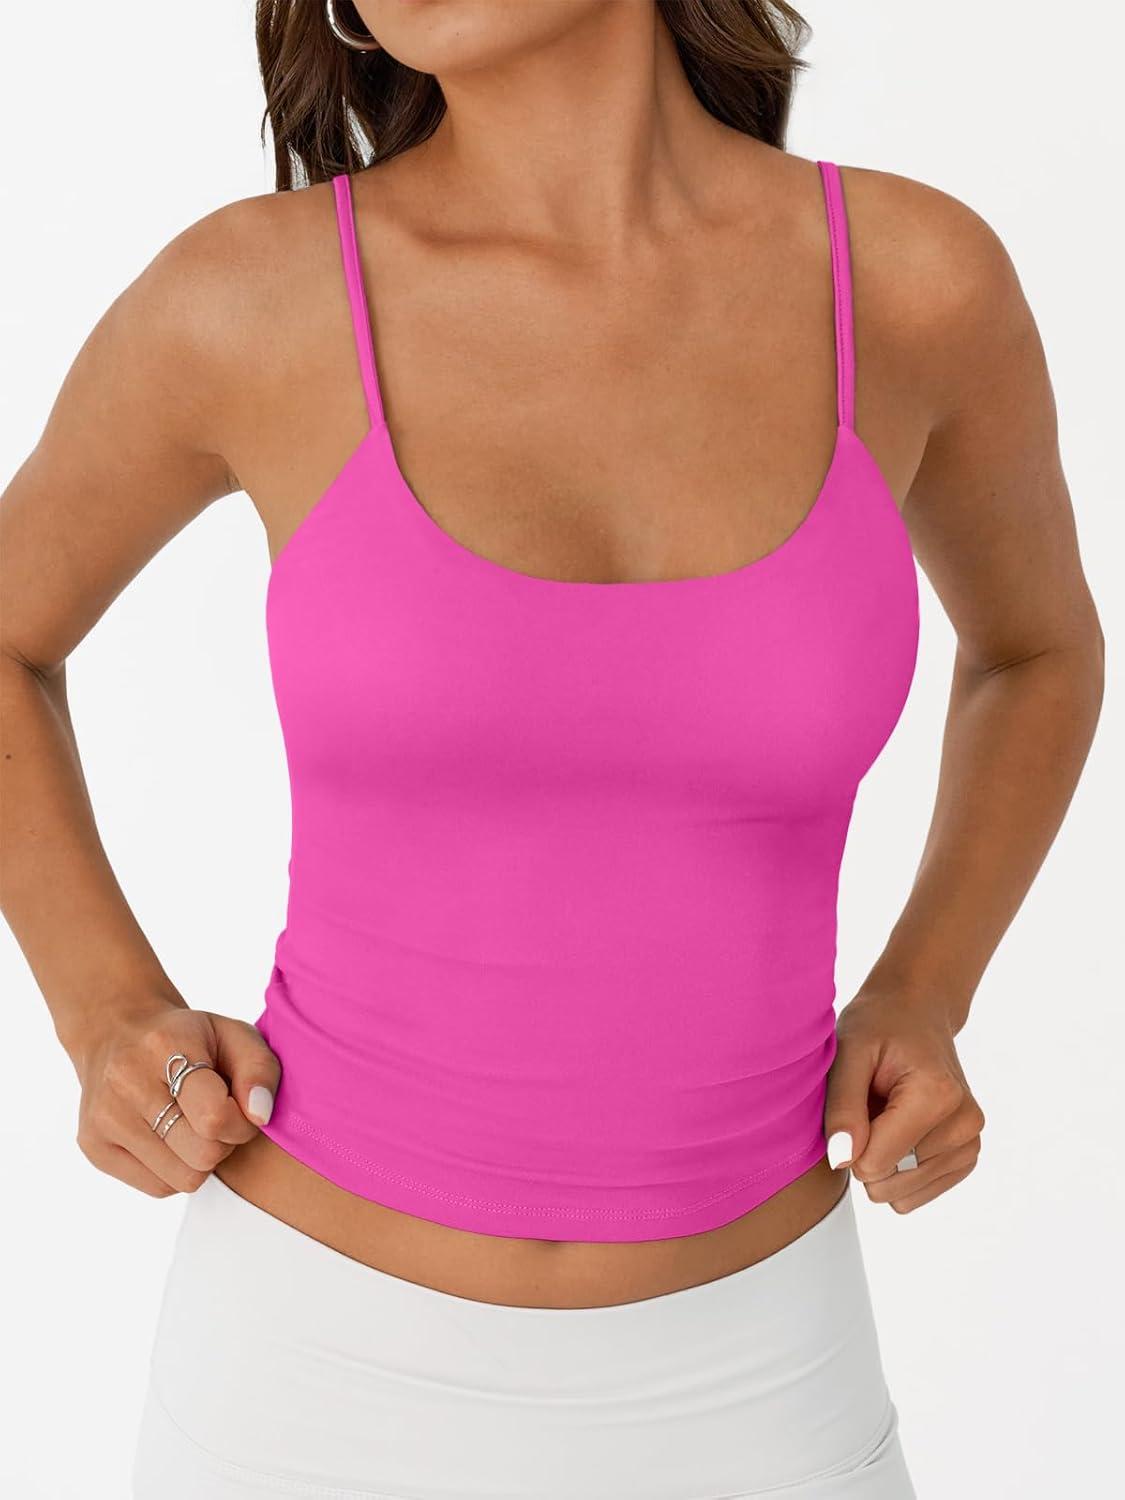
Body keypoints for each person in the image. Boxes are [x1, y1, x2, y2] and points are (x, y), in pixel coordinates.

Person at [0, 2, 1104, 1497]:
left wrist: (926, 987)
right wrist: (103, 1012)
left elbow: (1037, 652)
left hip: (761, 1383)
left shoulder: (911, 282)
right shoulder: (252, 299)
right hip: (306, 1383)